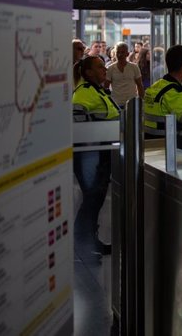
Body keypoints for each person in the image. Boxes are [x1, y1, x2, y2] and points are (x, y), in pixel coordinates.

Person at [72, 56, 120, 256]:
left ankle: (89, 240)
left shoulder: (99, 91)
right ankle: (82, 244)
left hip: (100, 154)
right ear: (88, 72)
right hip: (89, 154)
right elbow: (78, 120)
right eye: (100, 67)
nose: (104, 70)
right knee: (92, 198)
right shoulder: (83, 93)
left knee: (96, 198)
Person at [105, 42, 144, 108]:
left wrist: (141, 102)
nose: (120, 55)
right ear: (115, 54)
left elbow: (140, 85)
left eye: (122, 52)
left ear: (127, 54)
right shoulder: (110, 68)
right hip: (115, 104)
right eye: (118, 52)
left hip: (132, 103)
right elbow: (106, 87)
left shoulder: (134, 67)